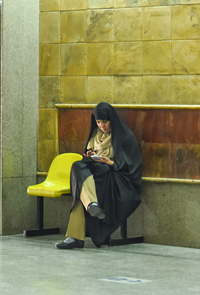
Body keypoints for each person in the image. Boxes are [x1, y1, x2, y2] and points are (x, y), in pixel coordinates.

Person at [56, 102, 143, 249]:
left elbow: (132, 165)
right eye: (98, 122)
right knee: (77, 166)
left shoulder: (124, 136)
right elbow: (87, 161)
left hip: (116, 177)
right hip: (96, 174)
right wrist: (90, 156)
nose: (102, 126)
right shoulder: (96, 136)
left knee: (81, 187)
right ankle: (92, 204)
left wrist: (110, 162)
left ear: (112, 120)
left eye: (104, 122)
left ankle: (75, 236)